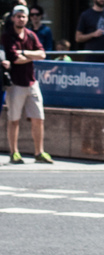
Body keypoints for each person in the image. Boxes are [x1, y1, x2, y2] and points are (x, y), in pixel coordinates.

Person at [2, 5, 51, 164]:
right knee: (14, 119)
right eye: (18, 16)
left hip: (32, 82)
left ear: (27, 18)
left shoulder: (31, 35)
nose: (21, 19)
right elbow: (15, 59)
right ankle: (14, 152)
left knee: (38, 118)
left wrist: (24, 53)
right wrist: (30, 55)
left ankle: (39, 152)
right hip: (15, 83)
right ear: (13, 18)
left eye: (23, 16)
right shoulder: (7, 36)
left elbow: (42, 54)